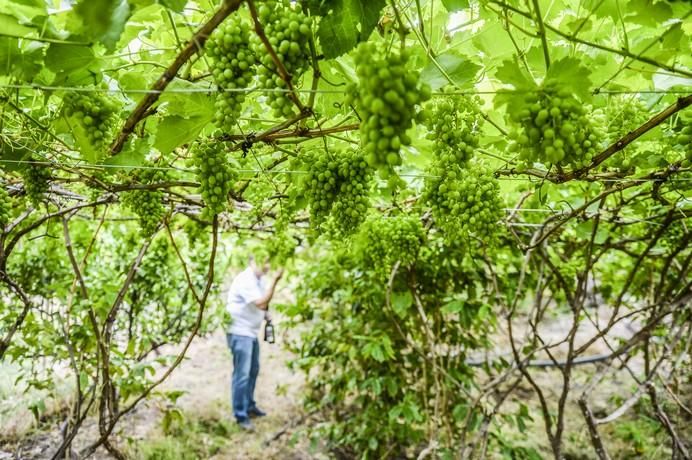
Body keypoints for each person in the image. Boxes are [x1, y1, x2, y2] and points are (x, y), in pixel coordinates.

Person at [226, 255, 283, 431]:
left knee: (253, 370)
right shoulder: (245, 279)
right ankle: (240, 415)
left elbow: (263, 304)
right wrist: (275, 281)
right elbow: (260, 302)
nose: (267, 266)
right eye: (264, 262)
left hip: (250, 332)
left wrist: (266, 316)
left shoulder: (259, 280)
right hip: (239, 331)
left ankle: (249, 406)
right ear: (253, 261)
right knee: (242, 374)